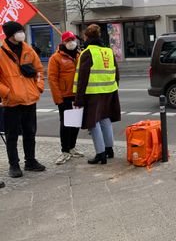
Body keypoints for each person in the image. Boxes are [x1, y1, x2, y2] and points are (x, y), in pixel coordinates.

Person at [0, 21, 46, 178]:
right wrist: (7, 92)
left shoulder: (28, 50)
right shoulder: (1, 52)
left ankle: (30, 161)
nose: (22, 33)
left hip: (30, 99)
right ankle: (14, 165)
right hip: (12, 101)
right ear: (11, 34)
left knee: (30, 132)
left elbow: (39, 70)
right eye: (19, 31)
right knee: (11, 135)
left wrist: (38, 87)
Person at [74, 24, 121, 165]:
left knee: (93, 124)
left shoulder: (87, 53)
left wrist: (78, 100)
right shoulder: (108, 51)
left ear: (86, 37)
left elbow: (82, 79)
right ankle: (109, 149)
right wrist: (113, 88)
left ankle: (100, 154)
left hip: (92, 94)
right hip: (109, 92)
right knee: (105, 120)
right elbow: (116, 73)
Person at [48, 31, 83, 165]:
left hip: (77, 95)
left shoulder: (80, 55)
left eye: (73, 39)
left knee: (75, 123)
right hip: (65, 96)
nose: (71, 42)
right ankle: (65, 151)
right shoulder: (56, 58)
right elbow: (52, 79)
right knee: (65, 124)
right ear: (63, 42)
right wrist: (58, 99)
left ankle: (72, 147)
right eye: (68, 40)